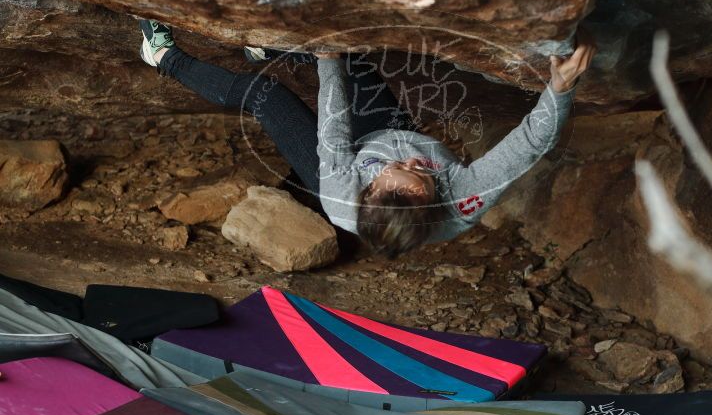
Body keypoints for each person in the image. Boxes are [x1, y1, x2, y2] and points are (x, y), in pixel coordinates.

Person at [138, 20, 595, 258]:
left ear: (371, 188)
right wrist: (560, 87)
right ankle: (271, 50)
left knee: (269, 95)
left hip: (332, 165)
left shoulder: (342, 192)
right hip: (386, 135)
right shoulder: (463, 197)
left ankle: (163, 56)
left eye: (411, 176)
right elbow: (531, 144)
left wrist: (326, 58)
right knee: (352, 61)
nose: (420, 166)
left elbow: (333, 130)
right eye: (424, 178)